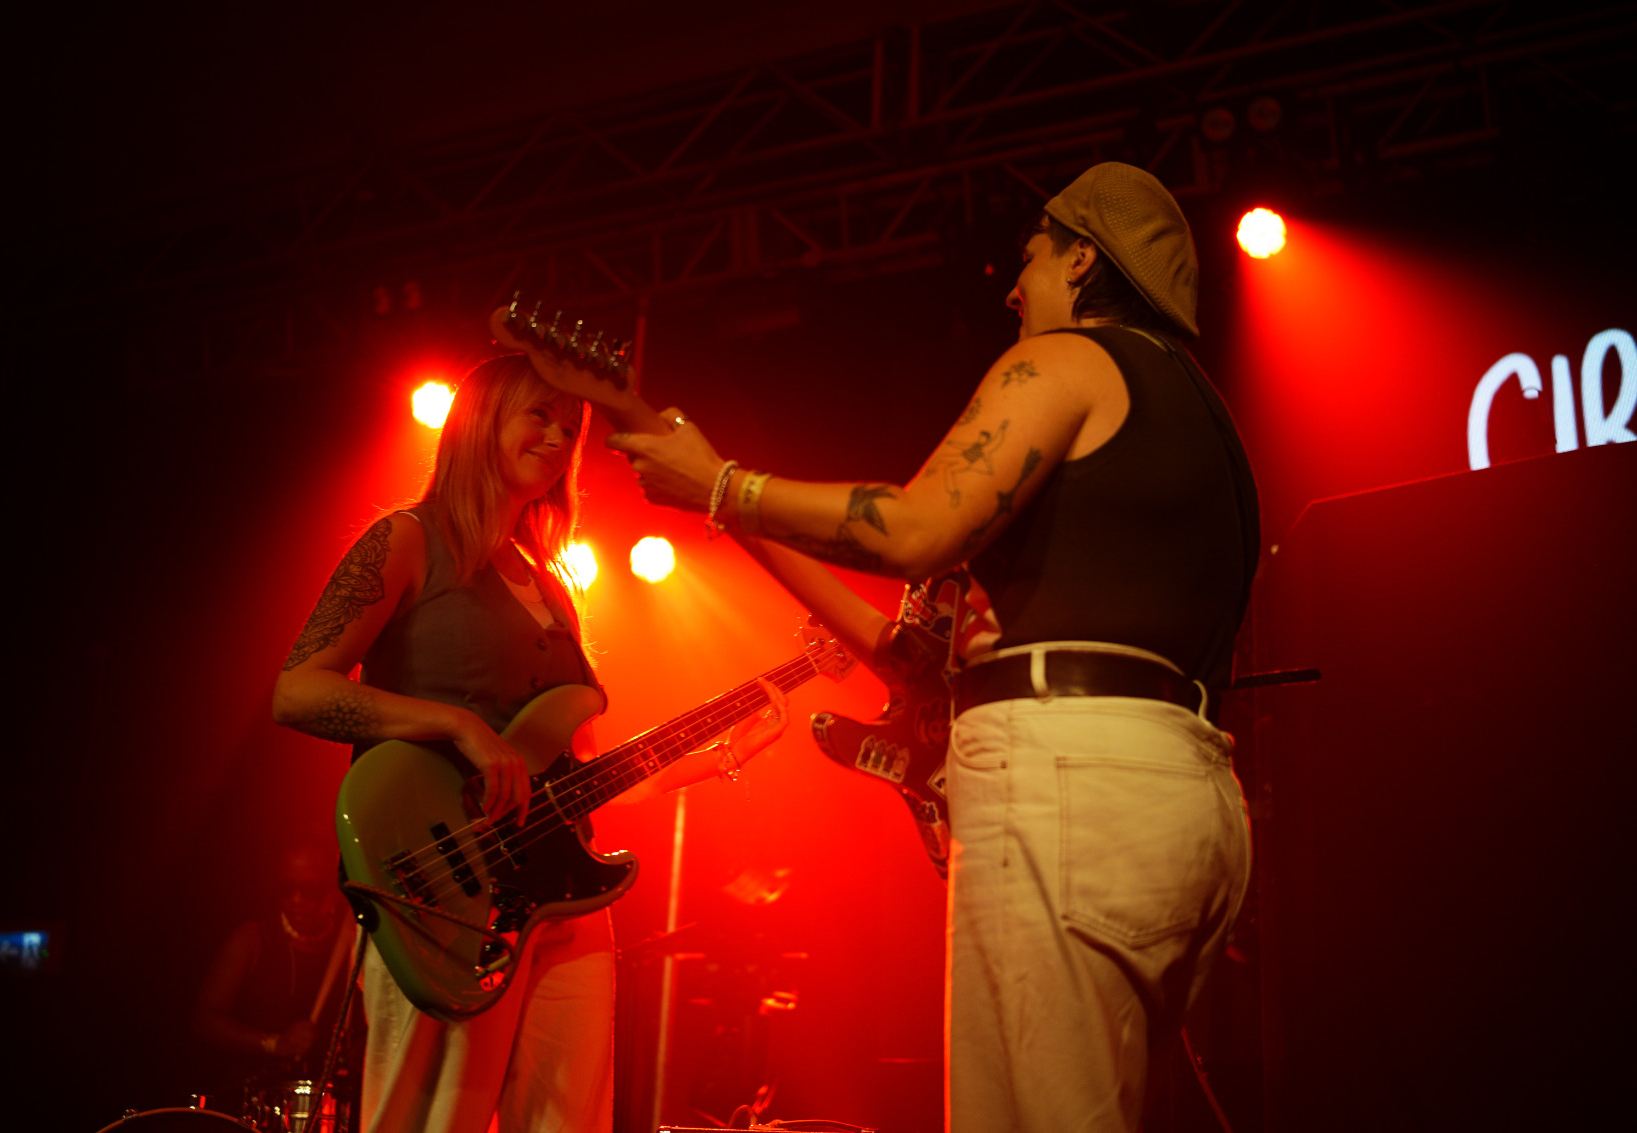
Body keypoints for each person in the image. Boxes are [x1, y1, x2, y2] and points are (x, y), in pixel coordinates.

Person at [609, 162, 1259, 1133]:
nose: (1010, 283)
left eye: (1032, 255)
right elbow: (908, 653)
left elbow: (913, 526)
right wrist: (734, 516)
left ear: (1083, 260)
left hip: (1068, 779)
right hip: (1182, 788)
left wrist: (724, 483)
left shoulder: (1072, 361)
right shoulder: (1204, 427)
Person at [271, 353, 787, 1133]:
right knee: (434, 1118)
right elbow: (297, 690)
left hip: (563, 900)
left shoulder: (554, 587)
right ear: (481, 423)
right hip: (439, 889)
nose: (558, 436)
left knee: (570, 1119)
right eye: (539, 415)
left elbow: (580, 773)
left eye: (571, 426)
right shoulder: (409, 539)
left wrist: (721, 755)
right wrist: (455, 723)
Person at [192, 843, 360, 1107]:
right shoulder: (252, 939)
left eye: (311, 889)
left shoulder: (353, 946)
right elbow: (205, 1021)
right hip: (251, 1100)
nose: (296, 900)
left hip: (324, 1101)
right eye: (286, 888)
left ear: (333, 892)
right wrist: (274, 1044)